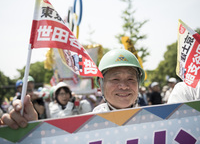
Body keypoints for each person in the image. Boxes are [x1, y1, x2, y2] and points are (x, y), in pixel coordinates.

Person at [1, 49, 145, 128]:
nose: (124, 86)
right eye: (115, 79)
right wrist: (32, 132)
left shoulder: (158, 119)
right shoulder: (87, 124)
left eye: (131, 79)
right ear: (100, 85)